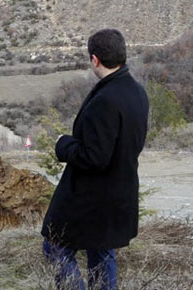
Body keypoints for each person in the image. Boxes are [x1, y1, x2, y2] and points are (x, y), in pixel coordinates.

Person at [41, 28, 149, 289]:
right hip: (119, 191)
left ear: (95, 59)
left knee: (55, 246)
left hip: (93, 197)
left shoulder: (106, 99)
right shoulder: (136, 91)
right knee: (101, 251)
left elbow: (94, 157)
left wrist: (63, 144)